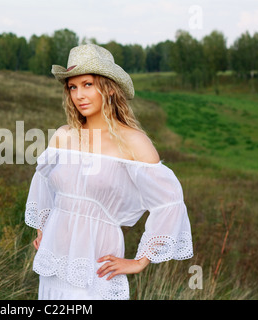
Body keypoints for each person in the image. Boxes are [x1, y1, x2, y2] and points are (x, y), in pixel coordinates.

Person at [24, 44, 193, 300]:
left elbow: (170, 202)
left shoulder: (133, 142)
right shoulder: (63, 136)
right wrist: (42, 230)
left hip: (97, 265)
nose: (79, 94)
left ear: (110, 88)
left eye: (88, 84)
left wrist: (139, 261)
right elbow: (43, 182)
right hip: (54, 259)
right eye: (73, 87)